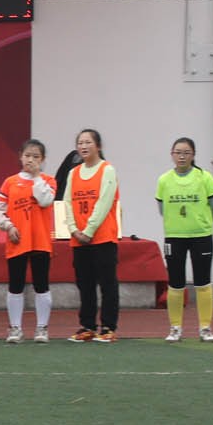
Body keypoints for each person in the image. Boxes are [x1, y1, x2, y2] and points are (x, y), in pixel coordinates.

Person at [0, 138, 57, 344]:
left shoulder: (48, 180)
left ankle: (42, 328)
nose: (30, 160)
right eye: (27, 155)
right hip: (17, 241)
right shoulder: (10, 182)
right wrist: (8, 226)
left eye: (36, 157)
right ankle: (15, 328)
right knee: (15, 285)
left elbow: (45, 200)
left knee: (41, 284)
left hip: (40, 240)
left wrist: (36, 177)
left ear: (42, 159)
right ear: (20, 156)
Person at [59, 127, 122, 342]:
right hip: (79, 239)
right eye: (80, 143)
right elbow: (67, 202)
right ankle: (87, 326)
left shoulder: (107, 170)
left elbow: (104, 203)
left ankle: (108, 328)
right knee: (85, 284)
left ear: (98, 146)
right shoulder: (73, 173)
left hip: (102, 237)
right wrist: (74, 229)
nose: (83, 146)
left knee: (107, 283)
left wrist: (89, 230)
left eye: (88, 142)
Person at [156, 136, 213, 343]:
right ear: (172, 155)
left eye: (186, 153)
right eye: (178, 152)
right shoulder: (164, 180)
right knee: (175, 284)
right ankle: (175, 328)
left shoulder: (204, 178)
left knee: (203, 282)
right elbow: (162, 209)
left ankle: (205, 328)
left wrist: (201, 222)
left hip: (201, 236)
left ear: (193, 155)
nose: (182, 156)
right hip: (175, 237)